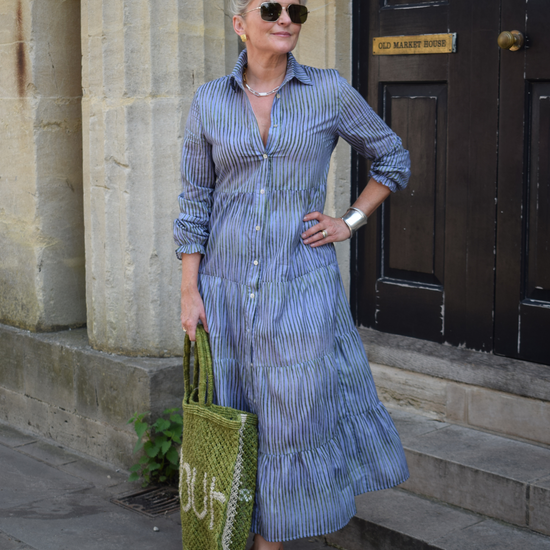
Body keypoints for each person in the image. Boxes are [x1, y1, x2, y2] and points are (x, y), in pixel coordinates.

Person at [174, 1, 411, 548]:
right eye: (271, 9)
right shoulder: (209, 100)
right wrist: (190, 290)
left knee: (292, 415)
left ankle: (270, 540)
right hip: (225, 289)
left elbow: (392, 156)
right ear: (240, 25)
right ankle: (236, 529)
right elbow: (195, 200)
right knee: (234, 409)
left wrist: (348, 221)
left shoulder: (327, 90)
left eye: (296, 10)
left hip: (301, 283)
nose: (286, 19)